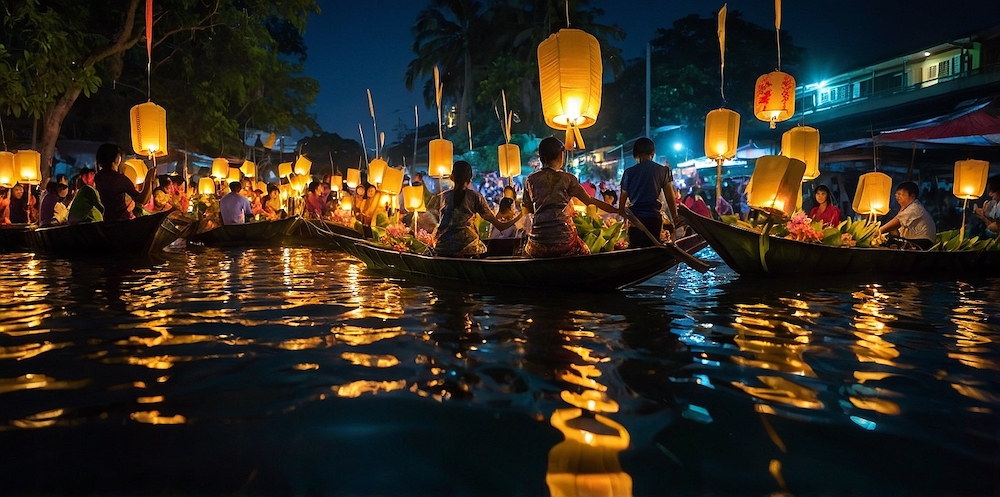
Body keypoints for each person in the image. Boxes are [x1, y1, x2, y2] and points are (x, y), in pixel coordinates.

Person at [522, 137, 616, 258]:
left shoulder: (530, 180)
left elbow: (526, 210)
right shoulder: (568, 178)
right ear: (562, 156)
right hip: (565, 241)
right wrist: (616, 210)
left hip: (537, 243)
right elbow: (589, 201)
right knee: (585, 251)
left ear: (540, 157)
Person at [434, 160, 519, 256]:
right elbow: (500, 226)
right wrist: (521, 215)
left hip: (441, 248)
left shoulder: (442, 197)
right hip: (468, 248)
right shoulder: (475, 197)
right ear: (470, 179)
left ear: (451, 177)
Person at [619, 137, 679, 248]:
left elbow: (622, 200)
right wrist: (675, 217)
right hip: (654, 220)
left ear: (636, 154)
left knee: (636, 250)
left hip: (635, 220)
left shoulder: (628, 173)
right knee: (652, 249)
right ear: (653, 153)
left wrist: (623, 215)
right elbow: (670, 197)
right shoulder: (663, 171)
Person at [93, 143, 156, 221]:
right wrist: (149, 178)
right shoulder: (119, 179)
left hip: (104, 221)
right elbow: (142, 199)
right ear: (117, 158)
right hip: (121, 222)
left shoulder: (97, 177)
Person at [879, 181, 936, 250]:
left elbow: (896, 222)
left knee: (890, 240)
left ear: (912, 196)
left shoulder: (914, 208)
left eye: (900, 194)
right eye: (896, 194)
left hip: (922, 243)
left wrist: (878, 231)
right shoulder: (907, 208)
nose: (897, 196)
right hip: (916, 241)